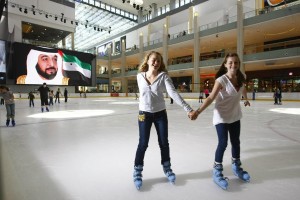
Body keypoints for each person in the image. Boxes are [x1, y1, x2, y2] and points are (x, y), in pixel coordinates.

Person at [133, 51, 195, 190]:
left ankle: (167, 169)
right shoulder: (139, 77)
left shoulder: (163, 76)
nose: (156, 63)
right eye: (154, 60)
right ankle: (137, 171)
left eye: (158, 61)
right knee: (143, 143)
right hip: (144, 114)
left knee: (164, 143)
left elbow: (173, 93)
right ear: (148, 60)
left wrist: (187, 108)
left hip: (160, 114)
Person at [191, 53, 251, 190]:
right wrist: (198, 112)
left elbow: (243, 88)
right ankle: (217, 171)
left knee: (236, 142)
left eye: (236, 62)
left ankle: (236, 167)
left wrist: (246, 99)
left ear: (238, 64)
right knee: (223, 143)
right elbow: (211, 98)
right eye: (230, 62)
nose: (233, 65)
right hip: (221, 117)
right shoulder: (221, 80)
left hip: (235, 116)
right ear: (225, 64)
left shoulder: (241, 78)